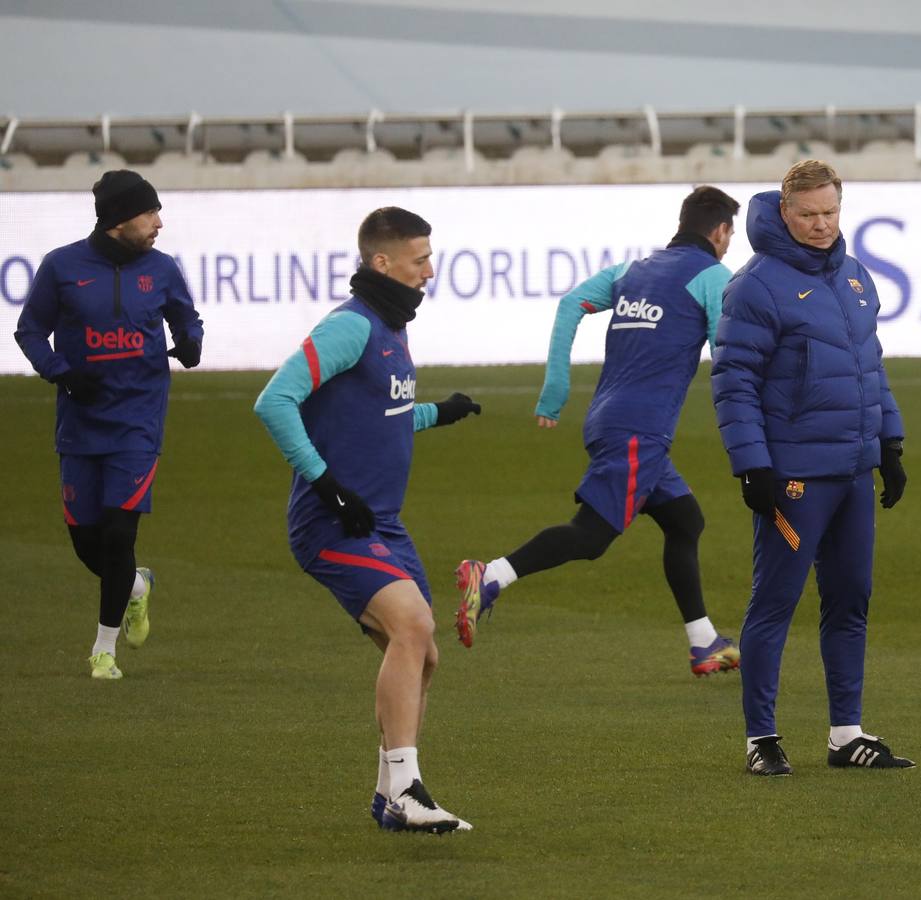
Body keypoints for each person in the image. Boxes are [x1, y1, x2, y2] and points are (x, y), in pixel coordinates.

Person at [253, 207, 482, 833]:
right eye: (420, 260)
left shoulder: (391, 325)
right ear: (382, 263)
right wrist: (327, 485)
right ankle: (408, 790)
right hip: (333, 522)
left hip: (381, 520)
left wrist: (440, 412)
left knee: (423, 653)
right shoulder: (351, 327)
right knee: (412, 624)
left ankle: (389, 798)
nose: (430, 271)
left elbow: (378, 417)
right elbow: (273, 401)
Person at [453, 186, 744, 677]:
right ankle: (491, 576)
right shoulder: (714, 276)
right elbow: (727, 348)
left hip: (610, 417)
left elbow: (571, 305)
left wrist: (556, 389)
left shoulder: (632, 271)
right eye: (730, 235)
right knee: (590, 537)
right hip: (639, 430)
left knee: (684, 521)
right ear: (719, 232)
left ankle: (704, 642)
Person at [712, 159, 912, 776]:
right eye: (808, 214)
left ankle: (845, 734)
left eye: (830, 212)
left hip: (853, 470)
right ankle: (761, 739)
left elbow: (868, 365)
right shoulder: (754, 286)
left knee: (851, 599)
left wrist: (892, 441)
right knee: (775, 601)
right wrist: (752, 465)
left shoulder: (854, 278)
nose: (821, 225)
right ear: (784, 211)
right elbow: (733, 379)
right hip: (794, 476)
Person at [13, 170, 203, 680]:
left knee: (118, 536)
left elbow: (187, 320)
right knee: (87, 543)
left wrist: (190, 343)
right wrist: (63, 374)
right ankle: (136, 587)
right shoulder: (62, 267)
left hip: (139, 423)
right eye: (150, 212)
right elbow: (29, 331)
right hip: (80, 424)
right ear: (120, 219)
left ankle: (104, 650)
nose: (159, 222)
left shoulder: (162, 269)